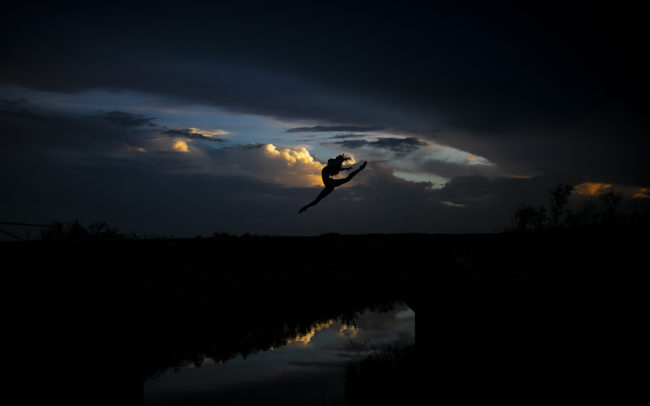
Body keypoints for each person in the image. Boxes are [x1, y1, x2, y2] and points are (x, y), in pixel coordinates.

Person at [299, 155, 367, 213]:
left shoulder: (330, 168)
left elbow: (335, 168)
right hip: (329, 186)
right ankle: (305, 207)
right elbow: (332, 166)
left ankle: (360, 169)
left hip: (330, 184)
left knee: (347, 179)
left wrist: (345, 168)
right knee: (318, 199)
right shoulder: (329, 165)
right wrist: (342, 161)